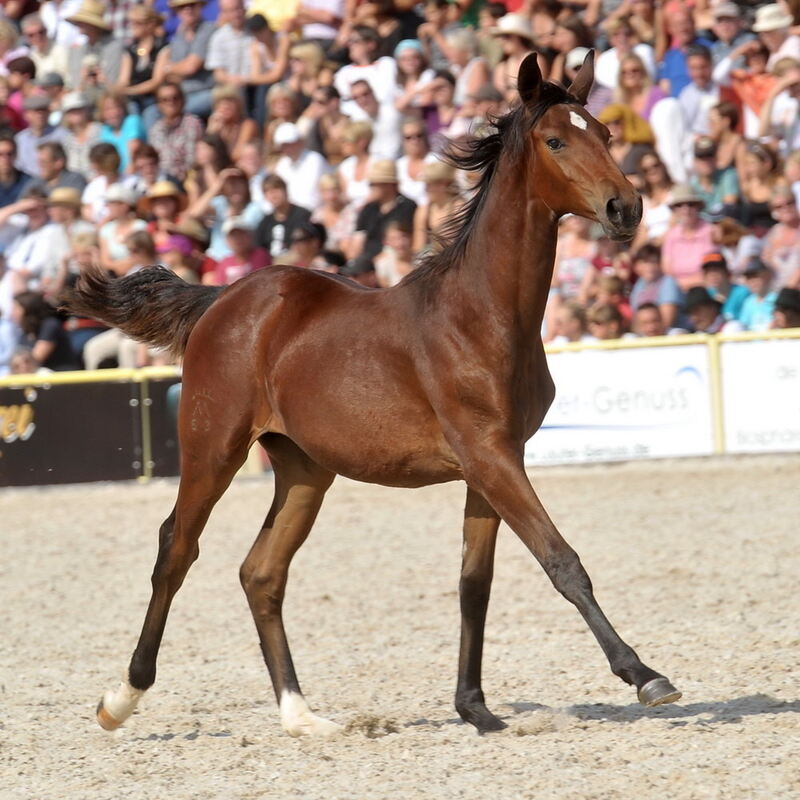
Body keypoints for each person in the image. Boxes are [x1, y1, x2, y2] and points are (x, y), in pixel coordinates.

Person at [148, 0, 216, 124]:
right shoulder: (180, 33)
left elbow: (191, 67)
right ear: (176, 11)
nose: (187, 9)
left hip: (205, 91)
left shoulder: (208, 29)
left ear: (200, 6)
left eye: (192, 5)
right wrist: (174, 69)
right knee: (151, 113)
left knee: (170, 111)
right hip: (181, 94)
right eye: (182, 7)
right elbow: (174, 75)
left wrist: (167, 68)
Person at [351, 159, 416, 261]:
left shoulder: (408, 207)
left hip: (395, 259)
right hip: (367, 260)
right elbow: (358, 240)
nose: (371, 187)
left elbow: (410, 241)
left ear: (388, 185)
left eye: (374, 184)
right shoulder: (369, 209)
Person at [661, 184, 715, 292]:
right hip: (677, 290)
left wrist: (682, 284)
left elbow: (712, 271)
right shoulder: (671, 235)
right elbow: (666, 269)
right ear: (674, 210)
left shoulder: (710, 231)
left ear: (698, 207)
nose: (685, 209)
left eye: (690, 204)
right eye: (679, 205)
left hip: (705, 289)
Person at [148, 81, 204, 183]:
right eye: (165, 99)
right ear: (159, 104)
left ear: (182, 100)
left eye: (175, 97)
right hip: (161, 181)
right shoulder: (155, 129)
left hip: (186, 180)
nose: (171, 102)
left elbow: (192, 160)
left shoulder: (192, 123)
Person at [116, 5, 167, 117]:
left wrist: (130, 91)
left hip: (154, 99)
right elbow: (124, 80)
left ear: (150, 25)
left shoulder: (162, 48)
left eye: (137, 23)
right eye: (131, 23)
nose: (133, 27)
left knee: (150, 113)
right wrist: (117, 89)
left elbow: (156, 81)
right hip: (134, 100)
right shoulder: (130, 50)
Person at [11, 289, 79, 370]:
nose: (12, 313)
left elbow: (33, 360)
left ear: (28, 309)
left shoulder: (50, 325)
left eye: (16, 308)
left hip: (61, 377)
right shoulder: (25, 333)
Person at [65, 0, 125, 90]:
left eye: (82, 21)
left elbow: (112, 82)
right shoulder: (77, 50)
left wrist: (101, 78)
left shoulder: (114, 47)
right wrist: (84, 80)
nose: (78, 24)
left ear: (93, 24)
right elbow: (75, 85)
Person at [273, 121, 329, 211]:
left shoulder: (315, 160)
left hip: (314, 213)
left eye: (291, 143)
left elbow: (313, 197)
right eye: (284, 145)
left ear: (300, 142)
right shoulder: (281, 165)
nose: (288, 148)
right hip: (292, 215)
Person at [254, 174, 312, 258]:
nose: (273, 195)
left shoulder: (303, 215)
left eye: (276, 189)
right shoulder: (264, 222)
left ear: (285, 191)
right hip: (270, 267)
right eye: (269, 192)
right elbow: (259, 249)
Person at [99, 183, 148, 277]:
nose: (109, 207)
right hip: (114, 277)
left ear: (125, 205)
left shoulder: (141, 226)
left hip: (139, 275)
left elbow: (143, 256)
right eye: (109, 203)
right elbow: (104, 261)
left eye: (113, 203)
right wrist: (118, 268)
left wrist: (122, 267)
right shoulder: (106, 229)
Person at [348, 79, 402, 161]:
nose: (362, 100)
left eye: (365, 94)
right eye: (356, 98)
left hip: (398, 161)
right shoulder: (357, 120)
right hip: (374, 166)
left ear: (372, 92)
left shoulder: (393, 111)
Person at [208, 216, 271, 285]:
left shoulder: (261, 256)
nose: (238, 239)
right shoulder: (225, 262)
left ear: (250, 236)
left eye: (241, 234)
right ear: (227, 240)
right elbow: (218, 288)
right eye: (233, 236)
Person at [491, 13, 538, 104]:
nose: (501, 41)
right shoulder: (502, 66)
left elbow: (535, 89)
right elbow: (499, 95)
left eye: (506, 36)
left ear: (520, 37)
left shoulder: (535, 59)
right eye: (500, 37)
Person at [15, 93, 64, 176]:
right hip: (28, 184)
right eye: (35, 112)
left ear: (49, 112)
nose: (40, 115)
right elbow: (17, 166)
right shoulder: (20, 139)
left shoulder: (62, 135)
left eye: (43, 111)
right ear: (26, 115)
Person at [206, 86, 259, 163]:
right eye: (221, 102)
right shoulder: (216, 127)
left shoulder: (248, 125)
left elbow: (237, 155)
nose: (226, 106)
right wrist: (212, 132)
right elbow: (206, 156)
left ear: (239, 105)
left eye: (230, 101)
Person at [206, 0, 251, 89]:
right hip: (232, 87)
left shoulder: (257, 31)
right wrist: (235, 81)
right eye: (230, 11)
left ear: (244, 8)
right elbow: (218, 74)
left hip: (257, 84)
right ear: (223, 13)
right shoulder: (218, 37)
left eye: (237, 9)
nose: (236, 14)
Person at [760, 188, 800, 288]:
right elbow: (767, 262)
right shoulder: (774, 233)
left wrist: (789, 290)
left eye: (789, 203)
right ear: (773, 211)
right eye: (779, 207)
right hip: (780, 291)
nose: (785, 208)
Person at [98, 92, 145, 175]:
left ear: (123, 108)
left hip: (136, 174)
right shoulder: (105, 130)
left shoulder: (132, 121)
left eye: (115, 107)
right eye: (107, 109)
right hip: (116, 177)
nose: (112, 113)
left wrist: (124, 180)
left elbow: (134, 153)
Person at [701, 252, 750, 324]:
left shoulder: (743, 292)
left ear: (727, 272)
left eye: (717, 270)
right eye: (709, 272)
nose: (713, 275)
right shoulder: (706, 295)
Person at [59, 91, 101, 176]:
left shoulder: (99, 130)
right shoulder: (67, 139)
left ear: (87, 110)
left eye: (79, 109)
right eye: (71, 111)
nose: (76, 113)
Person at [739, 257, 777, 331]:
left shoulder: (777, 299)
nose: (752, 281)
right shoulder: (748, 302)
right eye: (748, 278)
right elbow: (743, 326)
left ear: (768, 276)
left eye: (756, 276)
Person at [374, 220, 415, 287]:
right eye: (394, 239)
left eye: (403, 237)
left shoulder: (422, 261)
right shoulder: (383, 265)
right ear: (386, 242)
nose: (399, 243)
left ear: (411, 237)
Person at [0, 133, 31, 205]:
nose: (5, 159)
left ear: (16, 155)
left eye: (9, 154)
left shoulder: (29, 183)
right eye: (0, 154)